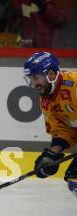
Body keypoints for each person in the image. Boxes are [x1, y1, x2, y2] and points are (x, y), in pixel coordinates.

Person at [24, 52, 77, 196]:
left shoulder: (75, 85)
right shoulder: (46, 102)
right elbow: (63, 130)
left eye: (36, 78)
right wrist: (52, 155)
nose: (34, 84)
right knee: (74, 179)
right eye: (31, 79)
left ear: (51, 75)